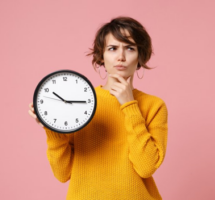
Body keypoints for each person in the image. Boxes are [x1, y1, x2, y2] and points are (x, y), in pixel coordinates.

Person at [28, 16, 168, 200]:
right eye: (112, 48)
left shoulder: (154, 105)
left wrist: (129, 105)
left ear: (140, 56)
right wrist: (52, 129)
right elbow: (62, 174)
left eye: (130, 48)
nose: (121, 57)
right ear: (101, 55)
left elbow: (146, 167)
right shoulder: (80, 100)